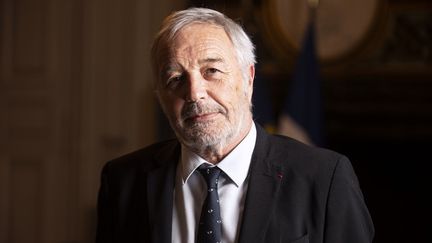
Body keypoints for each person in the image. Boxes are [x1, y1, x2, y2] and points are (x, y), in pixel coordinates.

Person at [95, 7, 374, 243]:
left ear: (248, 78)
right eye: (175, 79)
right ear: (160, 97)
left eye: (212, 71)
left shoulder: (323, 178)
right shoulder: (124, 181)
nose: (194, 93)